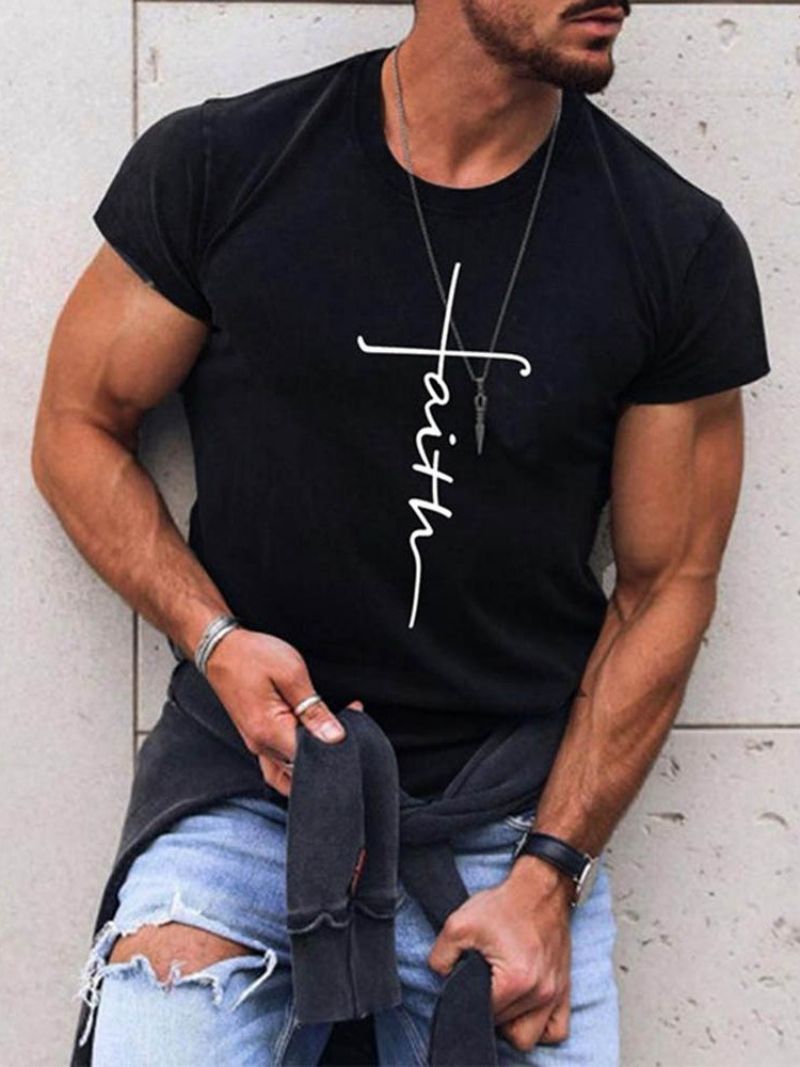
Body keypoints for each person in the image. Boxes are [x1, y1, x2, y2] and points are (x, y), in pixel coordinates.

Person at [32, 0, 771, 1063]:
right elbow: (76, 427)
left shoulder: (673, 243)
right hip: (246, 790)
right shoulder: (225, 165)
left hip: (506, 827)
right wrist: (214, 640)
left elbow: (668, 583)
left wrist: (549, 872)